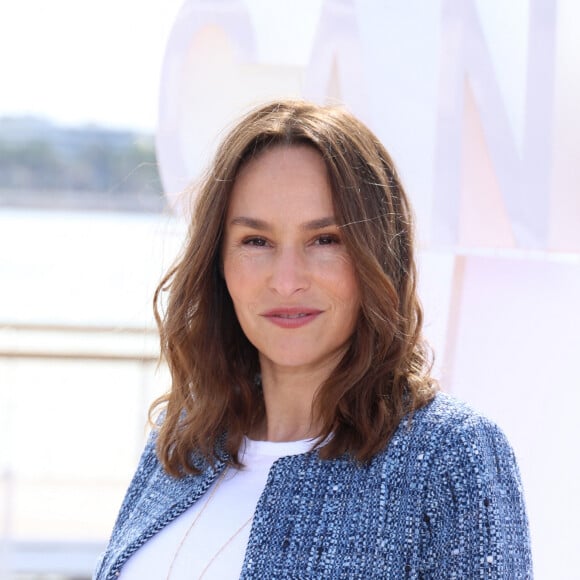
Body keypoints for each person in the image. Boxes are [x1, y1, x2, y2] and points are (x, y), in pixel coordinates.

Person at [94, 100, 532, 579]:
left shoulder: (448, 454)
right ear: (217, 263)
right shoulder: (183, 441)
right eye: (255, 241)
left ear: (379, 257)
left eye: (325, 240)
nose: (287, 281)